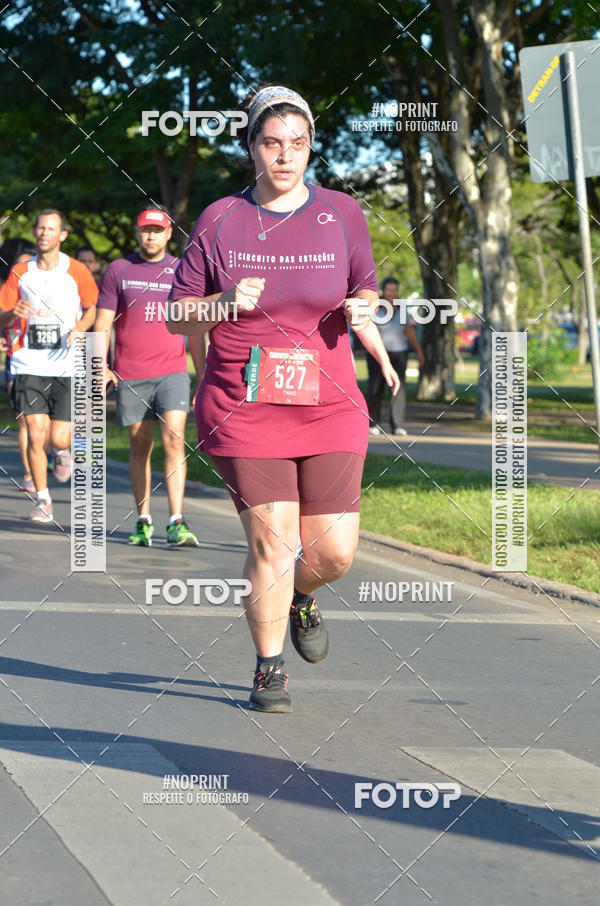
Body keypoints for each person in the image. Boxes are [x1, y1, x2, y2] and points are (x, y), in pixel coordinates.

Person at [168, 84, 400, 712]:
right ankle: (269, 668)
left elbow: (367, 289)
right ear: (250, 147)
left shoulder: (343, 213)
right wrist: (221, 303)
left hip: (329, 402)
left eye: (298, 143)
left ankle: (302, 595)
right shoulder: (220, 218)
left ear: (311, 147)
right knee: (273, 541)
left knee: (333, 552)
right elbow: (175, 313)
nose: (286, 155)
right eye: (272, 142)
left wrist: (367, 315)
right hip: (244, 404)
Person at [94, 208, 205, 548]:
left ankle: (177, 521)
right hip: (131, 374)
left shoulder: (181, 270)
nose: (151, 236)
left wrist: (203, 377)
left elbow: (195, 327)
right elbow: (102, 324)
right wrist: (99, 367)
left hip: (172, 371)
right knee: (140, 445)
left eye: (158, 230)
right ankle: (143, 520)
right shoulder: (119, 269)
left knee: (174, 440)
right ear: (138, 232)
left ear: (169, 233)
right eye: (146, 230)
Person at [0, 210, 98, 522]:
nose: (44, 233)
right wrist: (13, 313)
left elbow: (92, 307)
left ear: (62, 235)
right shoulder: (20, 271)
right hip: (28, 362)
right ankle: (43, 498)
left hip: (65, 366)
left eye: (51, 229)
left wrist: (80, 329)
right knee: (35, 431)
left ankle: (62, 452)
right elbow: (2, 314)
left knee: (58, 437)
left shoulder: (77, 270)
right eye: (40, 228)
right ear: (35, 231)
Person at [366, 277, 425, 437]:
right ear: (383, 291)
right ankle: (373, 424)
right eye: (388, 290)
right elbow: (368, 331)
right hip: (377, 354)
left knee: (398, 389)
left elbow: (409, 332)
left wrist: (419, 351)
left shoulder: (403, 310)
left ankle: (397, 425)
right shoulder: (376, 308)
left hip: (399, 354)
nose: (391, 293)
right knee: (375, 388)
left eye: (394, 290)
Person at [0, 241, 37, 491]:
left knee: (48, 425)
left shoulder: (48, 291)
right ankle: (29, 475)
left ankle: (53, 453)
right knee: (25, 419)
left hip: (51, 366)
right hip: (17, 361)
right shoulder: (7, 294)